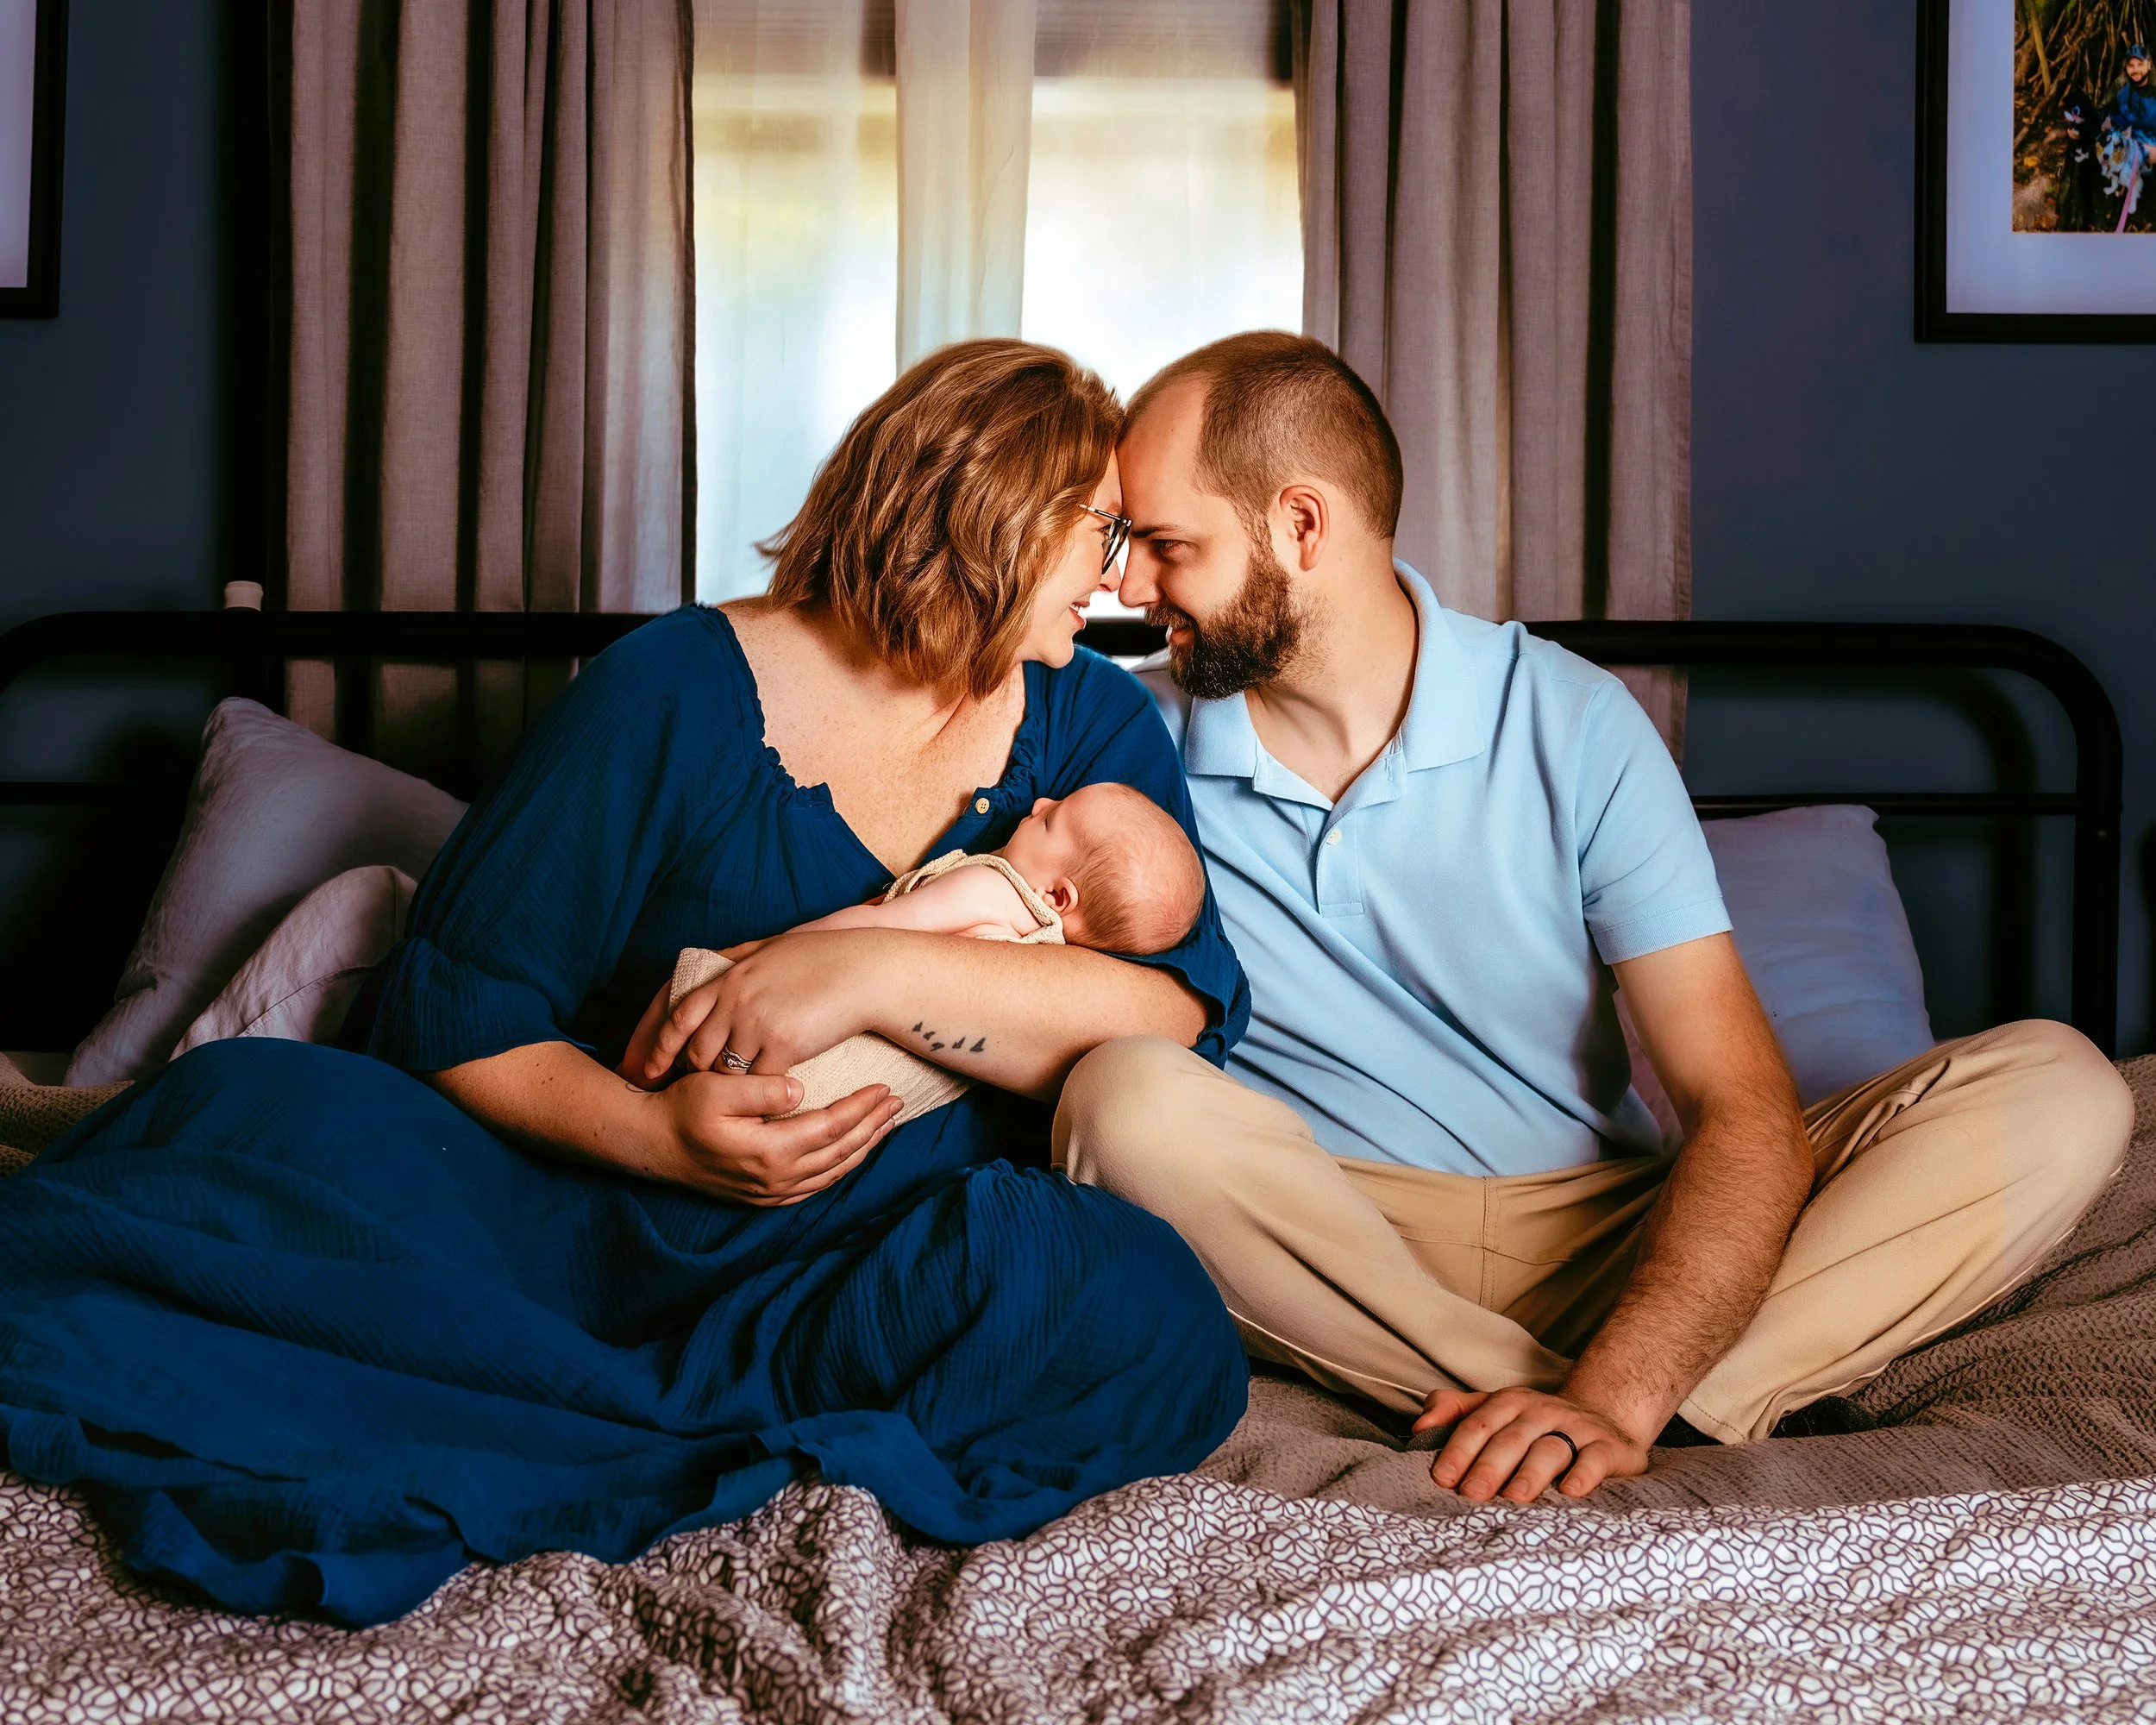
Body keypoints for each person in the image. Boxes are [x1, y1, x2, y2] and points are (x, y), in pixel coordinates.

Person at [0, 340, 1251, 1625]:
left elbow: (1169, 1011)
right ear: (997, 514)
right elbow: (454, 1016)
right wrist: (659, 1139)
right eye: (1102, 532)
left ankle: (700, 1397)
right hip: (605, 1212)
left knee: (1135, 1300)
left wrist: (863, 966)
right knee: (250, 1122)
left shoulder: (1083, 723)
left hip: (878, 1245)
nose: (1119, 577)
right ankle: (625, 1401)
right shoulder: (668, 693)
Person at [1056, 330, 2135, 1510]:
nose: (1124, 586)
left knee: (2065, 1086)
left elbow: (1740, 1106)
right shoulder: (1127, 746)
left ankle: (1626, 1410)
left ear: (1300, 527)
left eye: (1164, 546)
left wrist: (1624, 1381)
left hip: (1603, 1231)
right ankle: (1617, 1412)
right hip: (1330, 1236)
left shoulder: (1573, 721)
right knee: (1120, 1100)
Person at [2100, 46, 2156, 229]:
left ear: (2149, 64)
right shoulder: (2121, 85)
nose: (2135, 70)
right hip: (2129, 144)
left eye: (2140, 64)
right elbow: (2105, 112)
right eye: (2130, 65)